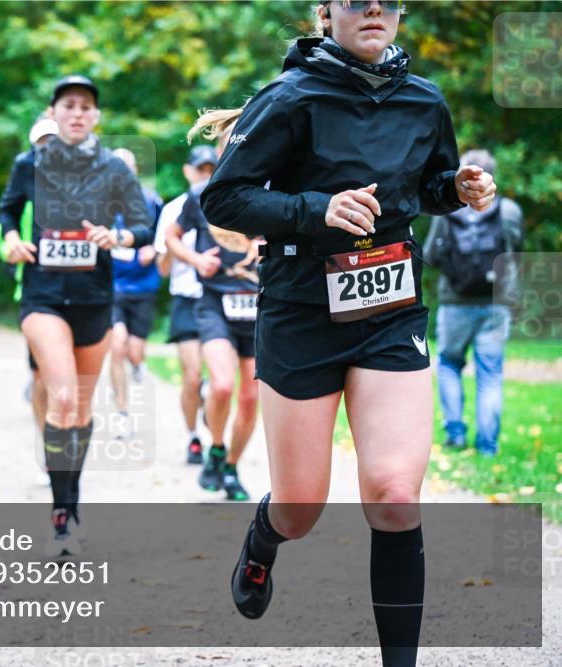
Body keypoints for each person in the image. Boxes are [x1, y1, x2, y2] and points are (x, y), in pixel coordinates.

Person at [199, 2, 497, 665]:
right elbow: (223, 199)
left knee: (394, 492)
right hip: (302, 311)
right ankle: (263, 541)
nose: (373, 9)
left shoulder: (424, 100)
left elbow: (427, 186)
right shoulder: (289, 97)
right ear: (325, 12)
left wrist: (460, 187)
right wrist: (317, 209)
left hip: (389, 308)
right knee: (302, 505)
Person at [0, 75, 153, 556]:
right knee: (63, 397)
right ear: (53, 113)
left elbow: (144, 225)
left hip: (93, 298)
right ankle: (60, 515)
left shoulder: (112, 169)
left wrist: (119, 238)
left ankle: (72, 504)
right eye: (69, 105)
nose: (78, 113)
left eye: (86, 106)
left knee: (82, 410)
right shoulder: (30, 164)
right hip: (43, 297)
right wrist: (9, 239)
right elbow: (6, 213)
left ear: (96, 117)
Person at [165, 118, 260, 502]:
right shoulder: (202, 194)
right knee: (221, 385)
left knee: (251, 398)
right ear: (222, 149)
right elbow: (171, 236)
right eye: (231, 143)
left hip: (257, 306)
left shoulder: (270, 191)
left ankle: (232, 467)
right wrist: (193, 258)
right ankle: (216, 446)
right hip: (215, 302)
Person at [423, 149, 523, 456]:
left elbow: (430, 255)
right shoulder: (509, 210)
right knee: (490, 373)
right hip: (496, 302)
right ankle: (488, 447)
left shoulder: (448, 211)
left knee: (450, 365)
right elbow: (516, 251)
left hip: (455, 302)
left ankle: (455, 435)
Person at [0, 115, 60, 487]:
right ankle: (48, 450)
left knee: (62, 379)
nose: (48, 149)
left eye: (55, 141)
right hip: (34, 287)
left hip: (77, 289)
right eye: (42, 143)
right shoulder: (24, 177)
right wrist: (12, 241)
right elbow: (4, 217)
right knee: (42, 377)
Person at [154, 146, 219, 464]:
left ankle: (211, 407)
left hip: (220, 298)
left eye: (211, 169)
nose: (205, 175)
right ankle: (192, 436)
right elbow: (162, 270)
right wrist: (173, 247)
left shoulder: (224, 203)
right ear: (187, 171)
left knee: (220, 376)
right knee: (191, 374)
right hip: (185, 297)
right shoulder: (173, 210)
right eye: (200, 169)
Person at [109, 148, 161, 438]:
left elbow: (168, 233)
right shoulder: (99, 203)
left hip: (143, 285)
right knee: (117, 346)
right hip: (112, 286)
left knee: (134, 350)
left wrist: (153, 248)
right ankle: (122, 412)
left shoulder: (151, 200)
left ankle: (138, 365)